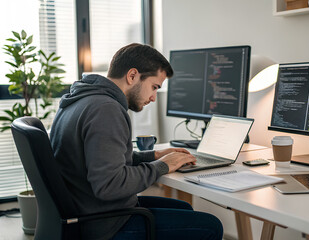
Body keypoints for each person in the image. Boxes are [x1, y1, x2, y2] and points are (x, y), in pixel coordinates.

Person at [50, 43, 223, 239]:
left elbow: (97, 159)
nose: (153, 97)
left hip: (86, 211)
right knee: (211, 226)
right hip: (105, 224)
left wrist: (154, 155)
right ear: (132, 76)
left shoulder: (82, 100)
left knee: (184, 208)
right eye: (154, 87)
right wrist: (162, 166)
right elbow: (109, 185)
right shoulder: (106, 109)